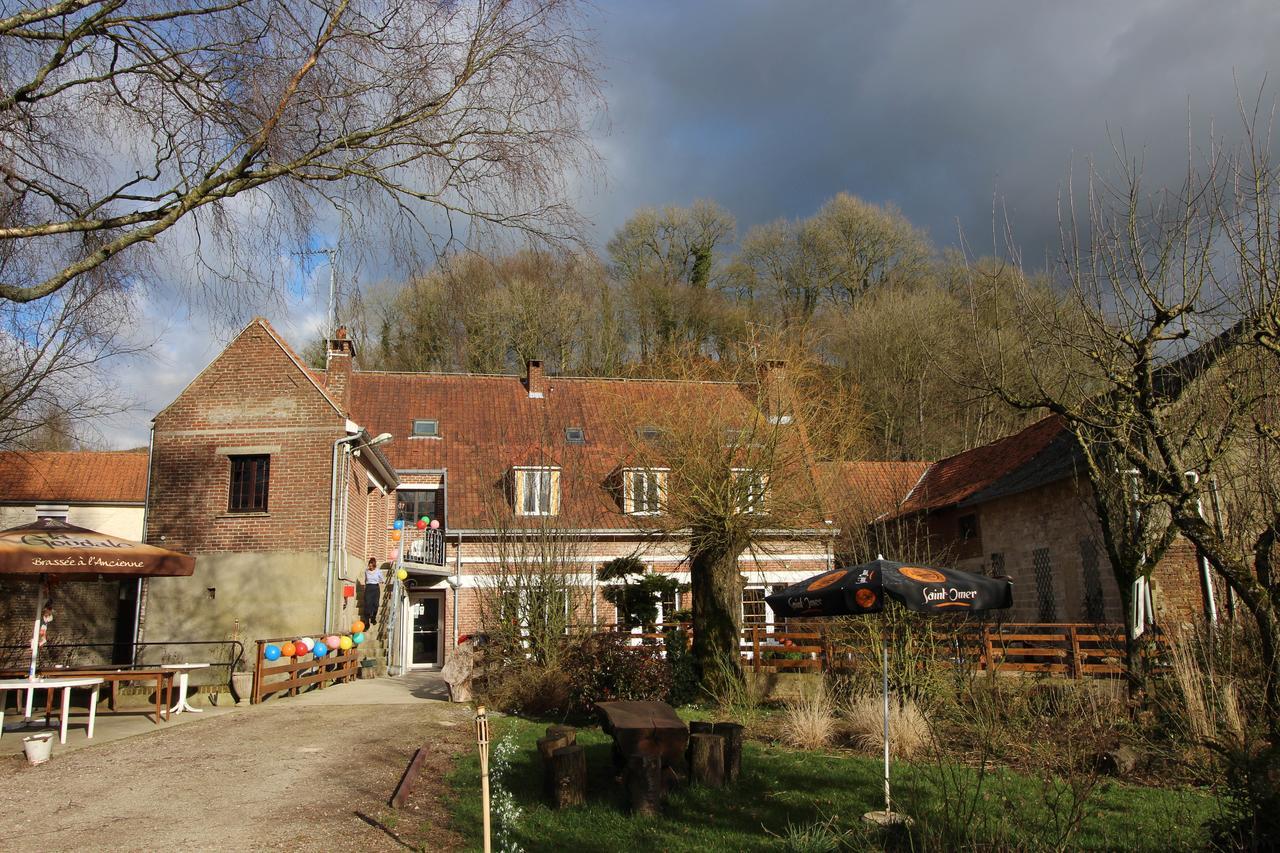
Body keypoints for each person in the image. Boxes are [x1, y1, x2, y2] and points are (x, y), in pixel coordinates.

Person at [363, 558, 384, 627]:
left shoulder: (378, 571)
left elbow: (382, 579)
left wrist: (380, 581)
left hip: (375, 588)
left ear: (374, 565)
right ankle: (366, 622)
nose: (370, 567)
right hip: (368, 588)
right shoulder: (366, 571)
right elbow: (366, 580)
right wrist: (365, 587)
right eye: (369, 566)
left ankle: (373, 618)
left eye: (371, 566)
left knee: (376, 605)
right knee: (367, 605)